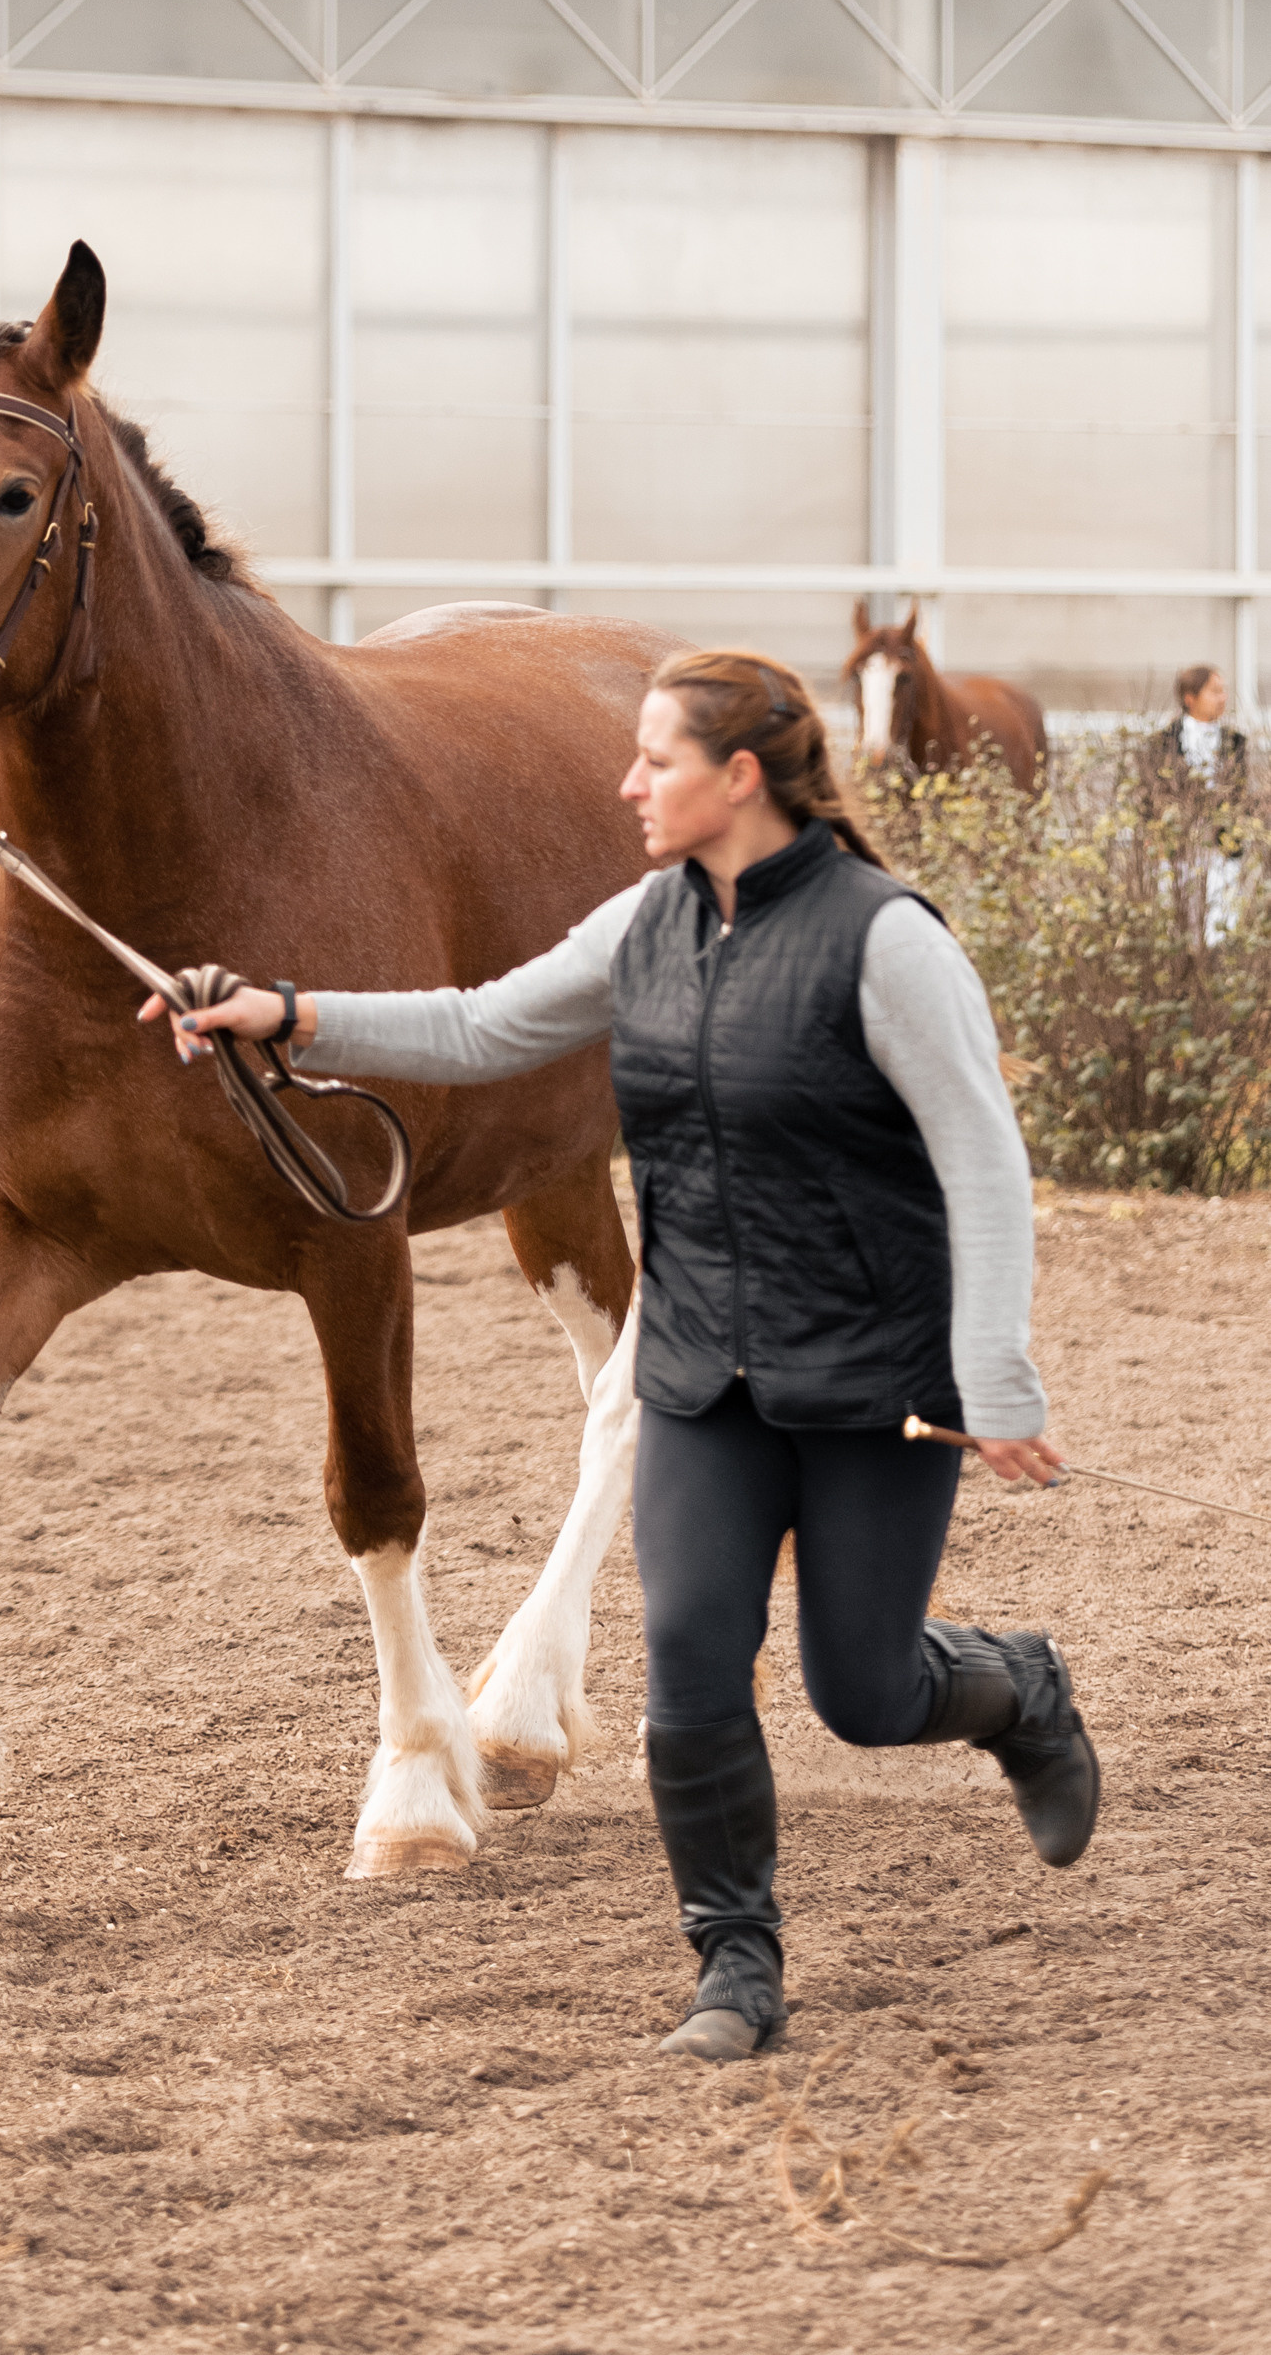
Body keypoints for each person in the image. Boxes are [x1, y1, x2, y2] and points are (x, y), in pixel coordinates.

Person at [140, 645, 1099, 2063]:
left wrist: (991, 1378)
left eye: (654, 761)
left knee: (861, 1689)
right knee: (688, 1666)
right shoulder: (643, 923)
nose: (624, 781)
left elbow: (982, 1163)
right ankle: (734, 1967)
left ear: (738, 780)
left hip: (866, 1377)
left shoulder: (885, 940)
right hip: (701, 1370)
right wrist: (285, 1015)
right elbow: (478, 1025)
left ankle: (1016, 1689)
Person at [1149, 664, 1248, 944]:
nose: (1223, 697)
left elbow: (1239, 797)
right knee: (1177, 928)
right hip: (1177, 850)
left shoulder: (1235, 742)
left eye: (1224, 691)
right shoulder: (1163, 743)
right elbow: (1152, 796)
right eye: (1214, 691)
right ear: (1190, 698)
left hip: (1221, 849)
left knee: (1222, 928)